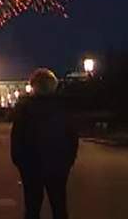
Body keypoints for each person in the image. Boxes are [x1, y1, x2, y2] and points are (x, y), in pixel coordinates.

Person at [11, 68, 78, 219]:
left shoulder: (25, 109)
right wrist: (69, 160)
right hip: (58, 165)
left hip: (31, 166)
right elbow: (72, 137)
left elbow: (17, 139)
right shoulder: (63, 107)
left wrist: (20, 162)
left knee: (32, 207)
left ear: (34, 87)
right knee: (59, 206)